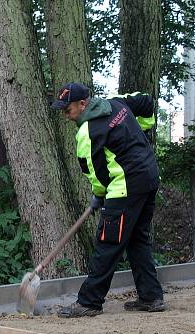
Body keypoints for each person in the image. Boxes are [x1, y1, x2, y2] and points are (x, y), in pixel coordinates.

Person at [50, 82, 167, 318]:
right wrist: (142, 125)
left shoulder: (87, 132)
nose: (65, 114)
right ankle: (151, 297)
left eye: (67, 109)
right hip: (149, 178)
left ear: (83, 104)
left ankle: (89, 302)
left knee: (108, 243)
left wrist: (99, 195)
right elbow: (145, 100)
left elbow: (97, 172)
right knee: (137, 239)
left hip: (125, 187)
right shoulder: (117, 104)